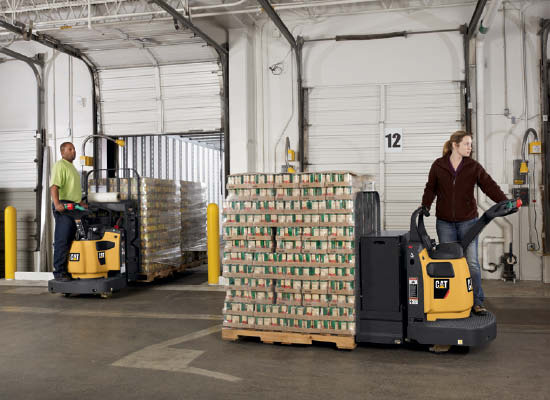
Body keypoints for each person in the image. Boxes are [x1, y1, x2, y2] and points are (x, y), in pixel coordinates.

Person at [421, 130, 507, 316]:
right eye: (467, 143)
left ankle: (477, 302)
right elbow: (430, 188)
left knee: (471, 263)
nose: (470, 147)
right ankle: (450, 300)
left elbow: (489, 185)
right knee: (448, 263)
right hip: (444, 223)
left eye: (470, 144)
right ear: (455, 145)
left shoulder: (473, 166)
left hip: (468, 222)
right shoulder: (438, 165)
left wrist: (504, 201)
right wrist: (425, 206)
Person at [50, 142, 87, 281]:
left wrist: (80, 203)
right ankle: (59, 272)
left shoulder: (72, 167)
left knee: (72, 239)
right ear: (62, 152)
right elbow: (54, 186)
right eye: (70, 149)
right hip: (64, 206)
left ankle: (69, 270)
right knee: (62, 239)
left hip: (73, 206)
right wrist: (57, 203)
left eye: (74, 149)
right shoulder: (60, 165)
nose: (73, 151)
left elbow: (72, 190)